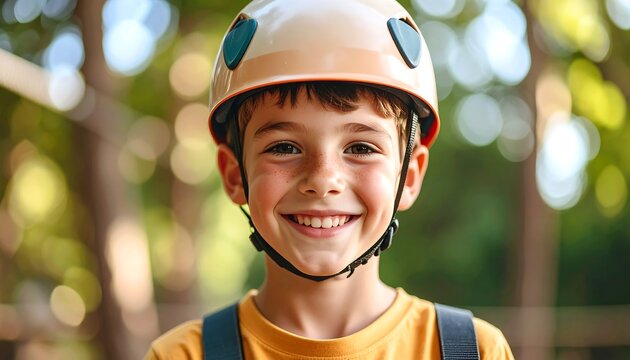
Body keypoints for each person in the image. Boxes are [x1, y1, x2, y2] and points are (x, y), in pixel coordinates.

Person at [145, 0, 514, 359]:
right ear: (234, 174)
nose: (322, 181)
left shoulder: (472, 350)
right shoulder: (183, 354)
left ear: (410, 176)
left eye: (362, 148)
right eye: (285, 147)